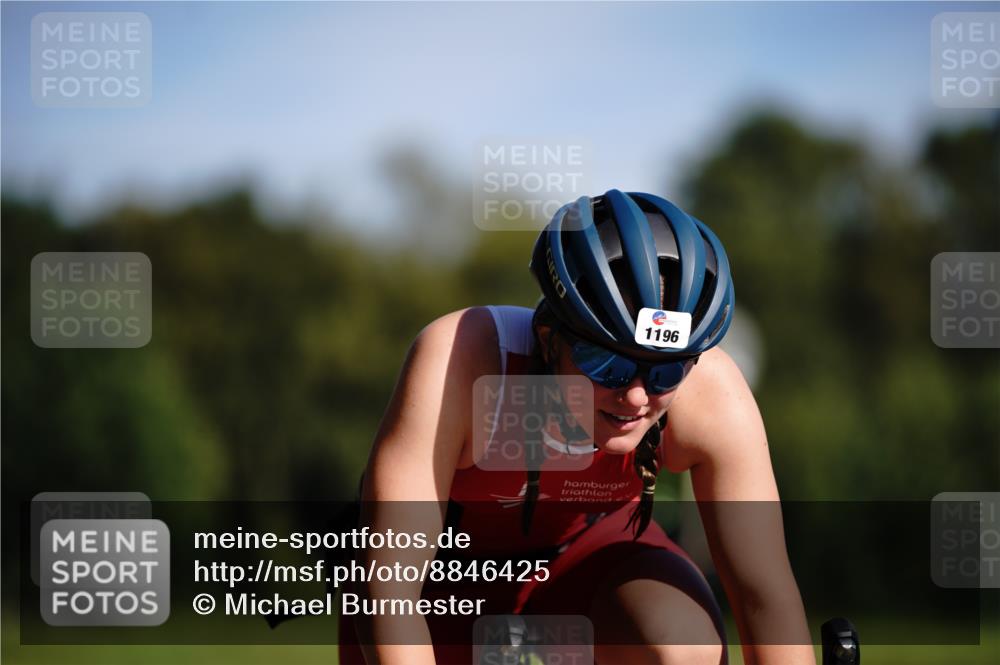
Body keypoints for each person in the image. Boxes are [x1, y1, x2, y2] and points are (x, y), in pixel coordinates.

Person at [338, 190, 815, 665]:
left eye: (665, 371)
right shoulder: (465, 361)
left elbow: (764, 598)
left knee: (681, 645)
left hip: (591, 567)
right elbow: (389, 590)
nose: (634, 395)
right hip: (443, 586)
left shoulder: (710, 392)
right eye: (606, 364)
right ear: (549, 339)